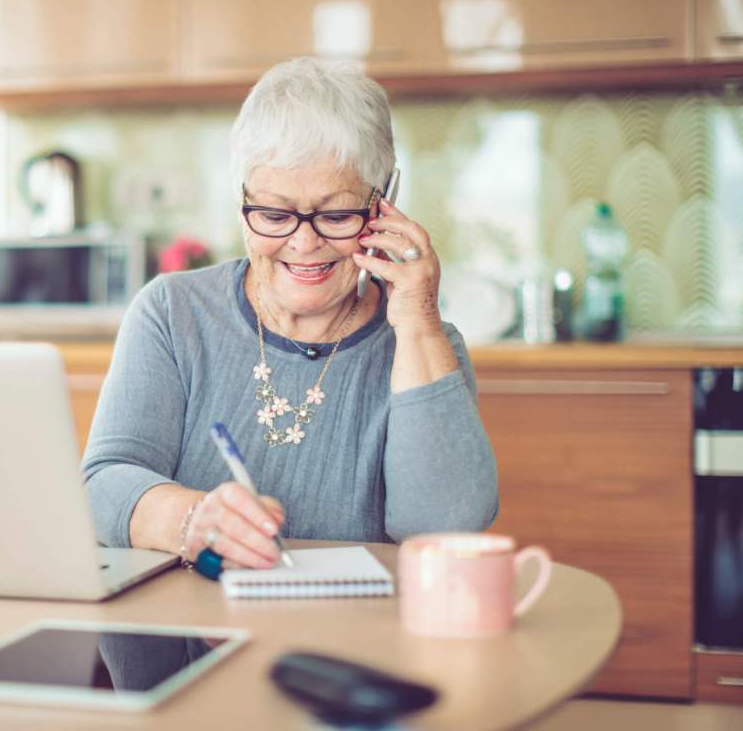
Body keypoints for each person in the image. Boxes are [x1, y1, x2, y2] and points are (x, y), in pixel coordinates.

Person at [81, 57, 497, 570]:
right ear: (242, 203)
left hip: (355, 641)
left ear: (386, 201)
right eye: (275, 215)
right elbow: (101, 482)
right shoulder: (173, 313)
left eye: (337, 215)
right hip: (190, 632)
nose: (303, 243)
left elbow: (444, 529)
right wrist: (193, 520)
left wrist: (416, 325)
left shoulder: (427, 342)